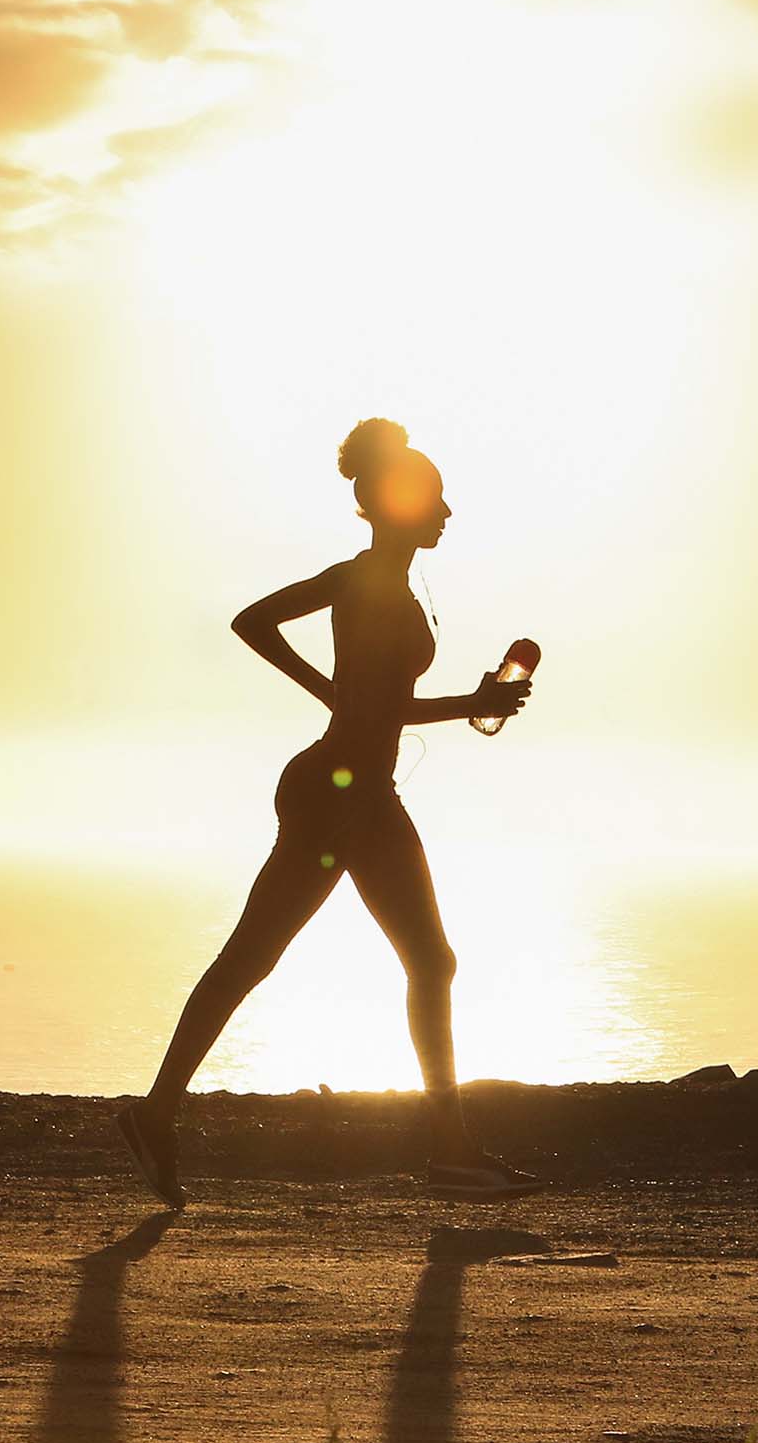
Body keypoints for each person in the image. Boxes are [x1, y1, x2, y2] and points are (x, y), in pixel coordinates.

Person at [118, 417, 540, 1206]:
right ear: (397, 503)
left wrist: (335, 696)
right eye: (436, 498)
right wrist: (470, 703)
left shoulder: (363, 578)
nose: (447, 511)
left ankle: (156, 1114)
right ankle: (447, 1151)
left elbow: (258, 627)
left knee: (292, 958)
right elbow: (375, 704)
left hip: (348, 787)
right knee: (359, 959)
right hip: (343, 795)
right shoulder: (371, 585)